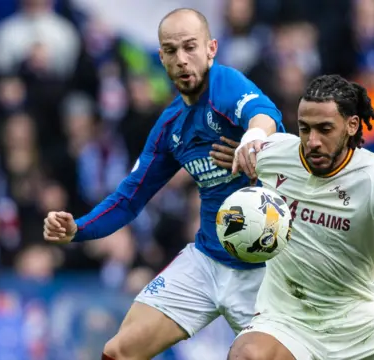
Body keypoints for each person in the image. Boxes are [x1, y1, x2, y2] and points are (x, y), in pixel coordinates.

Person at [42, 8, 284, 360]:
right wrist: (76, 229)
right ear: (161, 57)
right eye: (172, 51)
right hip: (207, 262)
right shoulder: (172, 126)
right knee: (119, 350)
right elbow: (129, 198)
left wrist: (254, 138)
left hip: (265, 272)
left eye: (190, 47)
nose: (182, 59)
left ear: (211, 48)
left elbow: (264, 113)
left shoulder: (225, 84)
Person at [227, 75, 374, 360]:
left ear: (352, 125)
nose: (312, 141)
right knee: (247, 354)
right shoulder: (274, 155)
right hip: (287, 317)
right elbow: (234, 151)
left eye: (325, 129)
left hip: (357, 322)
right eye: (304, 129)